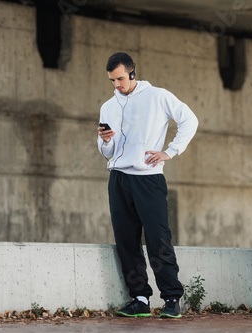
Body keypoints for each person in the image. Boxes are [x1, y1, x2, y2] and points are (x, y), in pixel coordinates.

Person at [97, 52, 198, 318]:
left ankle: (172, 299)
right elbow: (107, 151)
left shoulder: (158, 96)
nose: (117, 84)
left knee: (158, 238)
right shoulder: (108, 106)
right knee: (126, 241)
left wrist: (170, 151)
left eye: (120, 78)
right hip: (118, 178)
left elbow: (190, 120)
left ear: (132, 73)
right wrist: (106, 140)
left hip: (148, 178)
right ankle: (140, 298)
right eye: (112, 80)